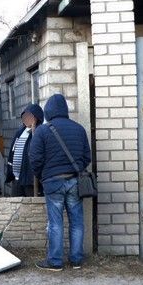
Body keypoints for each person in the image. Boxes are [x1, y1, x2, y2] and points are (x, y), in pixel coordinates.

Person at [28, 93, 92, 271]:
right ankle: (76, 260)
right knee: (77, 221)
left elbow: (34, 158)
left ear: (48, 111)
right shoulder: (79, 129)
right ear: (65, 110)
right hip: (74, 182)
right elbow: (87, 157)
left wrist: (42, 175)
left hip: (53, 182)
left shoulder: (42, 131)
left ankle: (55, 262)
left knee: (55, 223)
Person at [4, 103, 44, 197]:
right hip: (17, 179)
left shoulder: (39, 132)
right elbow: (12, 152)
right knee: (16, 206)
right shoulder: (20, 131)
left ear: (36, 118)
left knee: (31, 208)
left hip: (30, 180)